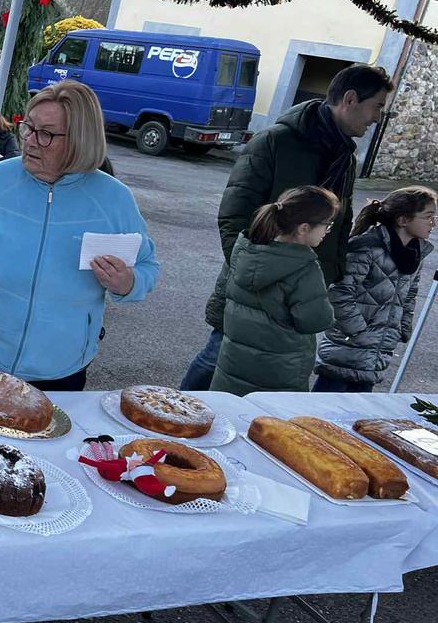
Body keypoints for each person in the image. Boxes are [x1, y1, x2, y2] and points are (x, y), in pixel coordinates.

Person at [0, 80, 159, 391]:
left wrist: (128, 283)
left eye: (47, 134)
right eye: (28, 128)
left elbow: (147, 266)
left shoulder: (113, 199)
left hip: (62, 370)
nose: (31, 141)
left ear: (81, 140)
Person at [180, 64, 392, 390]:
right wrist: (251, 275)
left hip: (305, 287)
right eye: (377, 105)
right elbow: (234, 215)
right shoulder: (275, 141)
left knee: (280, 370)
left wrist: (332, 275)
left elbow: (341, 221)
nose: (378, 117)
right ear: (350, 99)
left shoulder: (344, 156)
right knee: (219, 356)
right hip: (257, 285)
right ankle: (170, 419)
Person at [210, 186, 339, 396]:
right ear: (304, 228)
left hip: (232, 364)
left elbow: (226, 295)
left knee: (229, 414)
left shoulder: (244, 250)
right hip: (279, 373)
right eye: (327, 225)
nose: (327, 232)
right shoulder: (304, 267)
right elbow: (316, 321)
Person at [314, 186, 437, 392]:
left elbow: (409, 296)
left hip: (377, 351)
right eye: (428, 216)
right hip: (347, 348)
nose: (433, 223)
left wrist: (402, 328)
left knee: (356, 419)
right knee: (321, 410)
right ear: (403, 220)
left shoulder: (415, 253)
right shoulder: (366, 247)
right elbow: (339, 292)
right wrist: (358, 331)